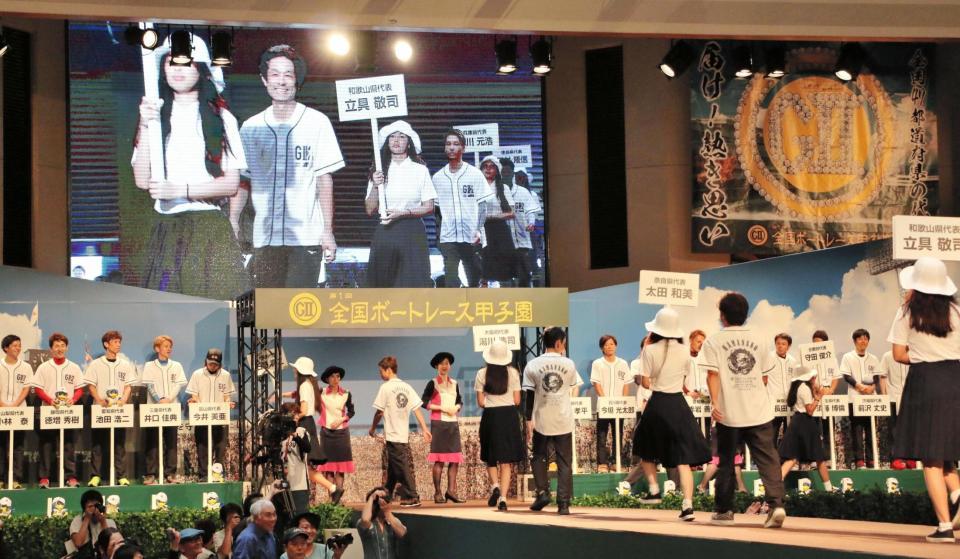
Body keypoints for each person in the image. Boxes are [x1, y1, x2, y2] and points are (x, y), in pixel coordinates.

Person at [131, 33, 249, 300]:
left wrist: (179, 190)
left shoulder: (222, 118)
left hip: (207, 227)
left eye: (186, 63)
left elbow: (231, 184)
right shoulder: (154, 117)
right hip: (166, 227)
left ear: (202, 69)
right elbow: (142, 179)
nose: (178, 69)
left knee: (218, 307)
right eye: (171, 62)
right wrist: (146, 124)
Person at [230, 45, 344, 288]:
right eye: (274, 74)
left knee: (299, 307)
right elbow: (243, 181)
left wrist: (328, 231)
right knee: (267, 306)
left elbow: (324, 180)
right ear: (264, 80)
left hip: (306, 237)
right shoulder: (251, 127)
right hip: (264, 238)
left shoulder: (317, 122)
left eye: (288, 75)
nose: (281, 81)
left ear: (297, 81)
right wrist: (233, 220)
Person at [887, 257, 960, 543]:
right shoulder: (956, 310)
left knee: (931, 458)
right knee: (945, 451)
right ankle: (957, 493)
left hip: (926, 381)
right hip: (956, 378)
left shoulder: (907, 312)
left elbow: (898, 354)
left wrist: (921, 355)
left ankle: (944, 526)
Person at [701, 292, 786, 528]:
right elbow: (765, 376)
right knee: (768, 459)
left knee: (727, 462)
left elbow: (713, 375)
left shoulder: (713, 341)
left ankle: (724, 511)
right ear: (746, 314)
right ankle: (777, 506)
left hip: (729, 414)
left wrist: (715, 403)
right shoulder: (760, 340)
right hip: (759, 412)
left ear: (722, 315)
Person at [631, 308, 711, 521]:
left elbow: (645, 382)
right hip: (678, 404)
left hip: (658, 403)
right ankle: (688, 506)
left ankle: (654, 489)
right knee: (683, 459)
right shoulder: (685, 351)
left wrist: (648, 359)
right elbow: (685, 380)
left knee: (644, 448)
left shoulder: (649, 350)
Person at [364, 120, 437, 288]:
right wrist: (375, 185)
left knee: (413, 282)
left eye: (402, 137)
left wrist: (403, 213)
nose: (396, 140)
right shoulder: (378, 169)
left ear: (409, 143)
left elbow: (429, 207)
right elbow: (369, 209)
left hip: (412, 231)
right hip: (386, 230)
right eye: (392, 137)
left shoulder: (420, 170)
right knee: (383, 283)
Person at [524, 327, 583, 515]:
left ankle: (542, 492)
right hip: (563, 418)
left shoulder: (532, 365)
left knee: (538, 456)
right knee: (564, 462)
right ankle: (563, 504)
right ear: (558, 343)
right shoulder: (569, 364)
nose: (564, 346)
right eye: (563, 343)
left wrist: (528, 419)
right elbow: (572, 387)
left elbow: (529, 396)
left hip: (541, 419)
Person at [369, 356, 432, 507]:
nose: (380, 374)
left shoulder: (385, 387)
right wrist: (424, 429)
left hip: (393, 434)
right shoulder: (407, 387)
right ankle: (387, 493)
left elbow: (379, 412)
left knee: (401, 466)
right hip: (402, 434)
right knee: (393, 467)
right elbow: (416, 409)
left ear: (388, 370)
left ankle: (412, 496)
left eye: (381, 371)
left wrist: (372, 428)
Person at [431, 129, 489, 288]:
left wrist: (479, 230)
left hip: (471, 236)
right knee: (450, 279)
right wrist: (439, 236)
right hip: (448, 238)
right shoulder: (437, 177)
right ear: (444, 148)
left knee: (474, 278)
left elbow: (483, 206)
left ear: (463, 148)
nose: (451, 147)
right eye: (448, 144)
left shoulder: (475, 174)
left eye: (456, 144)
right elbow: (437, 211)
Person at [30, 332, 85, 488]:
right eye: (56, 346)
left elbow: (79, 389)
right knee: (46, 445)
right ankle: (44, 478)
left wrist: (73, 400)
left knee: (69, 445)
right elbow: (38, 389)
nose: (59, 349)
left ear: (67, 348)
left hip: (68, 412)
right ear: (51, 349)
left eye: (62, 345)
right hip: (49, 411)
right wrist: (50, 400)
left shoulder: (74, 367)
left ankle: (71, 477)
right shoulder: (44, 367)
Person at [84, 330, 137, 487]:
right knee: (98, 444)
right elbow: (91, 385)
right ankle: (95, 476)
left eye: (119, 342)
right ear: (106, 344)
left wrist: (123, 399)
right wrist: (99, 400)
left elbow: (128, 386)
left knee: (119, 444)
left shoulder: (125, 365)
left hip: (119, 410)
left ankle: (121, 476)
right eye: (115, 342)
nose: (118, 344)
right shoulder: (96, 364)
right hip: (101, 410)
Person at [475, 340, 523, 511]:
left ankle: (495, 485)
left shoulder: (482, 373)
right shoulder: (513, 373)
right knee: (505, 461)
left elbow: (481, 402)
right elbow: (517, 400)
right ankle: (503, 498)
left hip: (491, 416)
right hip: (508, 416)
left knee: (490, 456)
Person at [287, 357, 341, 503]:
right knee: (305, 466)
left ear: (300, 370)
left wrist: (293, 417)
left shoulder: (304, 386)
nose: (294, 370)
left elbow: (304, 410)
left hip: (304, 424)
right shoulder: (309, 384)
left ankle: (332, 488)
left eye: (295, 368)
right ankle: (332, 488)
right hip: (307, 424)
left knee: (303, 465)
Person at [778, 366, 834, 491]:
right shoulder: (804, 388)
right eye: (812, 376)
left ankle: (775, 486)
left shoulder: (797, 386)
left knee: (792, 457)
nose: (814, 378)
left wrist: (815, 389)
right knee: (819, 457)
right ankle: (829, 489)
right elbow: (810, 410)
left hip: (797, 421)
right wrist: (818, 398)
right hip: (805, 422)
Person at [141, 334, 187, 485]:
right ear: (157, 348)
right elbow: (149, 385)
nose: (169, 349)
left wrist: (168, 399)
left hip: (171, 409)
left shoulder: (177, 366)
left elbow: (178, 385)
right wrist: (159, 399)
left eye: (170, 346)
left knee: (171, 442)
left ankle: (170, 473)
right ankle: (150, 474)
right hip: (154, 409)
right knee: (152, 442)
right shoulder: (149, 366)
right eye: (166, 346)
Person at [421, 352, 465, 503]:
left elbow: (459, 401)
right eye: (441, 364)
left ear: (450, 366)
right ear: (436, 366)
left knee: (455, 458)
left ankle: (451, 491)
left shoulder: (455, 383)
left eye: (447, 363)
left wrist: (456, 407)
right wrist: (442, 408)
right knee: (439, 460)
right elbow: (424, 402)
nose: (444, 366)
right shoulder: (433, 383)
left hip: (452, 423)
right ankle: (438, 493)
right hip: (439, 424)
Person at [186, 348, 236, 481]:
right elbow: (194, 395)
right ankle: (203, 475)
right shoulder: (197, 374)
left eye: (215, 364)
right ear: (206, 361)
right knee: (203, 448)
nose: (212, 366)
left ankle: (217, 475)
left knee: (220, 449)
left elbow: (227, 396)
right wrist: (196, 402)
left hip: (219, 418)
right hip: (202, 418)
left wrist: (228, 403)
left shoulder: (225, 375)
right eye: (210, 363)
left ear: (220, 364)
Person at [839, 328, 883, 469]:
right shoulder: (848, 357)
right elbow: (846, 375)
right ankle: (859, 460)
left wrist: (872, 387)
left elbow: (876, 377)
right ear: (855, 341)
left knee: (871, 429)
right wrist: (858, 386)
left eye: (865, 338)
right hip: (855, 398)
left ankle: (871, 459)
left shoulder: (874, 358)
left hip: (871, 399)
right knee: (856, 429)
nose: (863, 341)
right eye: (860, 338)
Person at [590, 334, 630, 473]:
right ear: (602, 348)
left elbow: (626, 384)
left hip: (619, 406)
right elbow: (597, 384)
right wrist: (605, 401)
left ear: (616, 346)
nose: (609, 347)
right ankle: (602, 463)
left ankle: (615, 461)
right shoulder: (597, 363)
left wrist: (623, 401)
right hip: (604, 406)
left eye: (612, 344)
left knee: (618, 434)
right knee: (602, 435)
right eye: (606, 345)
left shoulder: (623, 363)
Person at [317, 366, 354, 500]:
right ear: (327, 379)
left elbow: (351, 411)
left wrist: (342, 419)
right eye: (332, 376)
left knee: (340, 467)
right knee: (328, 467)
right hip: (326, 433)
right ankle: (332, 499)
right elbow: (304, 395)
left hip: (342, 433)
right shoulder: (321, 392)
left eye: (338, 376)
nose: (335, 379)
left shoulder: (346, 393)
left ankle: (337, 500)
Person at [477, 156, 515, 287]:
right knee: (482, 267)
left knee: (503, 268)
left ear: (497, 170)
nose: (488, 169)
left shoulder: (503, 188)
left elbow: (511, 213)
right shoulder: (475, 188)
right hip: (479, 229)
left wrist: (492, 216)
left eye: (491, 166)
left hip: (499, 230)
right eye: (485, 166)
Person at [505, 163, 542, 288]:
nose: (519, 179)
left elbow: (534, 215)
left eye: (522, 177)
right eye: (517, 176)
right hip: (511, 233)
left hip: (528, 232)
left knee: (531, 259)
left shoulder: (532, 195)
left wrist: (529, 223)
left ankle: (534, 284)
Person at [0, 334, 30, 489]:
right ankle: (1, 479)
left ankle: (15, 479)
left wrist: (15, 404)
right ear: (6, 348)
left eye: (19, 345)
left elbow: (26, 388)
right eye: (14, 345)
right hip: (1, 411)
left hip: (19, 411)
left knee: (18, 446)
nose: (18, 348)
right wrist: (3, 405)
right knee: (1, 445)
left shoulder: (26, 367)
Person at [880, 349, 912, 469]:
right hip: (893, 397)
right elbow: (882, 376)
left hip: (911, 398)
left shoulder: (914, 354)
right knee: (893, 430)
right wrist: (884, 396)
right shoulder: (887, 355)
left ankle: (910, 457)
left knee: (910, 429)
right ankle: (895, 458)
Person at [767, 333, 798, 447]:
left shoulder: (793, 361)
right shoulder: (768, 358)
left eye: (783, 344)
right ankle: (771, 456)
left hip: (789, 401)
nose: (780, 346)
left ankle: (786, 456)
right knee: (772, 433)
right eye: (778, 343)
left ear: (788, 346)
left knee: (789, 433)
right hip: (773, 401)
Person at [357, 487, 407, 559]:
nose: (380, 505)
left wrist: (387, 511)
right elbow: (365, 520)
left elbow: (402, 533)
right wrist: (372, 498)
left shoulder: (393, 521)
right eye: (376, 503)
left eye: (386, 501)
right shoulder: (365, 522)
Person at [69, 490, 118, 556]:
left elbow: (111, 544)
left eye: (97, 505)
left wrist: (103, 521)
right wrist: (87, 518)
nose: (94, 509)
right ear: (84, 508)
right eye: (90, 506)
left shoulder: (110, 522)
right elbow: (78, 543)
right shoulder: (78, 521)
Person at [281, 512, 349, 559]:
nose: (309, 531)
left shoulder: (325, 549)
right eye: (305, 527)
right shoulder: (285, 556)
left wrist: (337, 557)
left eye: (313, 527)